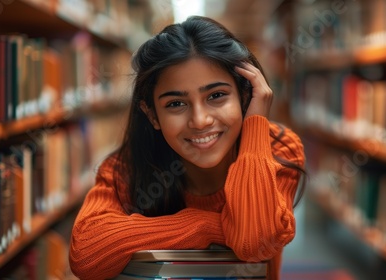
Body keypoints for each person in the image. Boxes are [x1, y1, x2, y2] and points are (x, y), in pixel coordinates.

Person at [69, 16, 305, 279]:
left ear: (245, 95)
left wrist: (255, 126)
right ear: (152, 115)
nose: (200, 120)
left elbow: (256, 244)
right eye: (176, 104)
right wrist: (207, 225)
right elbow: (85, 255)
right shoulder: (128, 166)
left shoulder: (278, 148)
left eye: (216, 96)